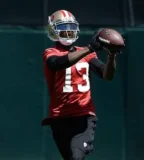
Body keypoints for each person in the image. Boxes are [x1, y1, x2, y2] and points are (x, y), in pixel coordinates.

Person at [41, 10, 121, 160]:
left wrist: (111, 55)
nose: (69, 31)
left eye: (71, 27)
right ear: (53, 31)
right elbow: (57, 63)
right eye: (63, 28)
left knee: (76, 157)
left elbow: (107, 75)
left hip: (83, 117)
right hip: (59, 118)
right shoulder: (50, 52)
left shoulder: (86, 54)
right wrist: (89, 48)